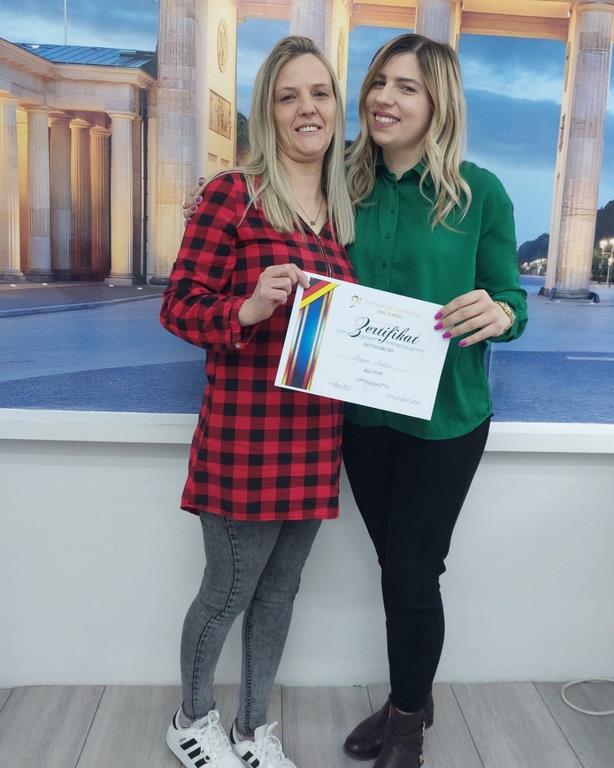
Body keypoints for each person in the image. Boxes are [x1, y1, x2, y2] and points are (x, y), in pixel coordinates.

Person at [159, 35, 355, 768]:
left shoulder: (339, 214)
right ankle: (190, 719)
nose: (307, 108)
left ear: (335, 107)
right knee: (228, 591)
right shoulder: (232, 196)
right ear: (267, 111)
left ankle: (250, 730)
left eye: (319, 93)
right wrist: (245, 309)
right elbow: (178, 306)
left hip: (314, 438)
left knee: (279, 594)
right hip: (245, 441)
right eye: (288, 95)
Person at [341, 34, 527, 768]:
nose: (383, 98)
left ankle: (406, 724)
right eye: (378, 82)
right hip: (361, 418)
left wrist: (502, 312)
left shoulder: (482, 193)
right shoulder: (339, 184)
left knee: (412, 572)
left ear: (438, 102)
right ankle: (411, 696)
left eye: (406, 87)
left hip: (447, 420)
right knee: (397, 567)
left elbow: (510, 296)